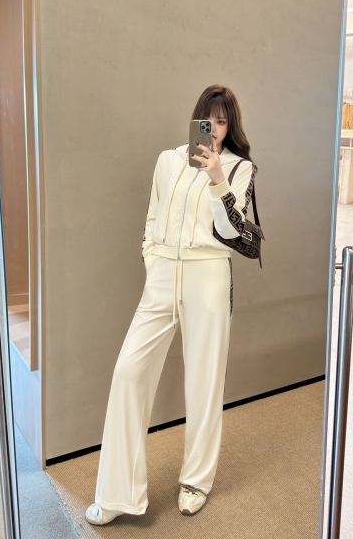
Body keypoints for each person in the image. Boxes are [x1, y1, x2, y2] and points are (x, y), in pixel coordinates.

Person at [85, 84, 258, 525]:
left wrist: (218, 179)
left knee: (204, 382)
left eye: (222, 122)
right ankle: (117, 494)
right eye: (208, 119)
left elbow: (235, 234)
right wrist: (152, 258)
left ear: (231, 126)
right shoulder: (167, 160)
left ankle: (197, 481)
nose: (214, 129)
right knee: (128, 372)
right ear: (196, 117)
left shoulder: (239, 168)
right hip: (162, 274)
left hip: (209, 276)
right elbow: (152, 216)